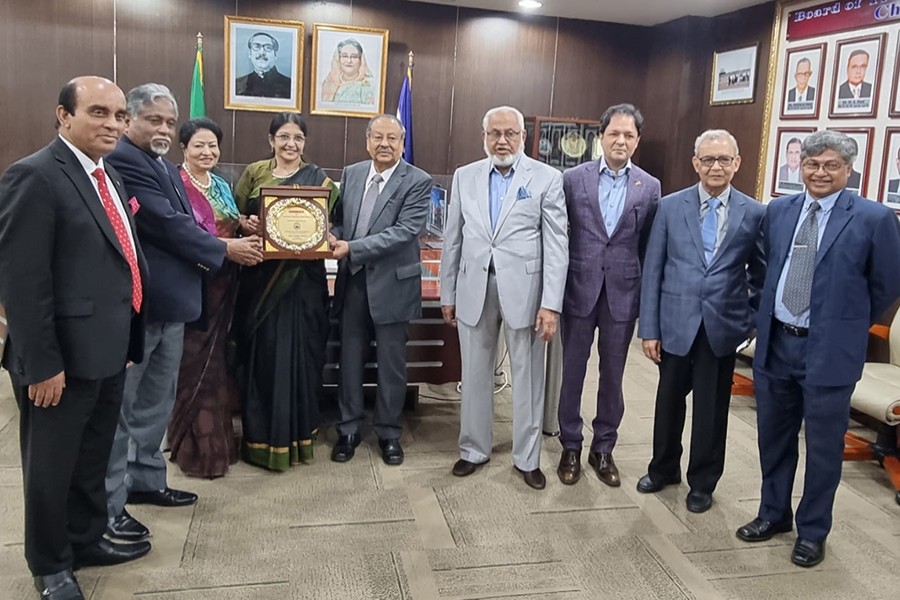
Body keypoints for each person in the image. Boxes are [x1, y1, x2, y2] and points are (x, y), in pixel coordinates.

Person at [0, 76, 151, 600]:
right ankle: (50, 564)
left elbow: (119, 260)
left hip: (108, 349)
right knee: (50, 466)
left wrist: (127, 338)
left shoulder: (111, 178)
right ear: (63, 116)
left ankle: (86, 540)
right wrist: (41, 363)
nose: (112, 124)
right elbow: (22, 282)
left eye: (118, 115)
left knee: (91, 457)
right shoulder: (35, 176)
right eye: (98, 113)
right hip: (58, 358)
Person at [104, 84, 263, 541]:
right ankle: (112, 504)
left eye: (169, 123)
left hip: (177, 302)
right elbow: (164, 224)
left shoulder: (161, 165)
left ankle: (146, 480)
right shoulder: (122, 162)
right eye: (153, 120)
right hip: (144, 305)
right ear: (128, 120)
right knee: (125, 408)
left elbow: (189, 222)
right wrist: (224, 247)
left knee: (156, 402)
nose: (162, 129)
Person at [736, 130, 900, 568]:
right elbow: (768, 268)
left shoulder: (873, 218)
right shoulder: (780, 209)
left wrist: (844, 322)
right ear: (800, 167)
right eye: (812, 164)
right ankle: (773, 514)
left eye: (831, 165)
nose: (820, 172)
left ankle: (813, 532)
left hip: (830, 353)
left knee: (824, 449)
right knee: (773, 439)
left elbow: (886, 286)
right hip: (776, 346)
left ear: (848, 170)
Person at [637, 129, 765, 513]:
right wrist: (649, 329)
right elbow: (653, 269)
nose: (715, 166)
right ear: (695, 163)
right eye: (707, 159)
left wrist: (749, 322)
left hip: (721, 328)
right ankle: (663, 470)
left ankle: (703, 482)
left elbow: (761, 274)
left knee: (711, 410)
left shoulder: (754, 213)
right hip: (675, 321)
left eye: (724, 159)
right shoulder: (670, 207)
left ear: (737, 163)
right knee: (668, 401)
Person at [440, 105, 568, 490]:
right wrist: (448, 292)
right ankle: (473, 449)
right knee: (475, 374)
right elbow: (453, 239)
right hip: (474, 288)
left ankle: (527, 458)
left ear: (522, 136)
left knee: (527, 377)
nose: (502, 140)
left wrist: (551, 303)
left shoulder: (547, 178)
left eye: (510, 133)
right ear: (483, 136)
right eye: (494, 133)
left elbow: (557, 246)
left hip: (526, 293)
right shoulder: (465, 176)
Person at [556, 103, 660, 487]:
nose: (620, 141)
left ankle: (604, 448)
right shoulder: (572, 178)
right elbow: (558, 235)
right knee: (573, 371)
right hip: (579, 289)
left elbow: (648, 247)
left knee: (613, 375)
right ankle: (570, 444)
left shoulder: (649, 187)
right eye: (614, 133)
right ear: (600, 137)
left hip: (622, 293)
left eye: (628, 135)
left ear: (637, 141)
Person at [234, 112, 340, 471]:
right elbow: (236, 217)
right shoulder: (254, 174)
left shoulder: (320, 179)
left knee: (304, 357)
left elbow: (333, 220)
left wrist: (330, 234)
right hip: (262, 281)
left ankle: (299, 435)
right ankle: (262, 439)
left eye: (297, 138)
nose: (290, 144)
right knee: (264, 356)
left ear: (304, 143)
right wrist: (244, 223)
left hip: (304, 283)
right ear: (271, 140)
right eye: (283, 137)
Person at [328, 114, 432, 465]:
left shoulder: (418, 180)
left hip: (393, 284)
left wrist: (351, 247)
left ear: (403, 143)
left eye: (393, 138)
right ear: (367, 141)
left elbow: (404, 232)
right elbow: (343, 219)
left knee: (391, 364)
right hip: (353, 282)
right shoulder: (352, 173)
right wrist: (333, 235)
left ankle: (389, 433)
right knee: (350, 359)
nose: (385, 144)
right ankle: (349, 429)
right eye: (378, 137)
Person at [168, 118, 257, 479]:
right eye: (199, 146)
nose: (207, 152)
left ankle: (218, 441)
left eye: (212, 146)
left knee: (218, 361)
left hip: (227, 280)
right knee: (193, 363)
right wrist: (228, 244)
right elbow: (178, 233)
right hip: (193, 282)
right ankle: (193, 447)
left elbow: (230, 222)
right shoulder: (175, 183)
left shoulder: (221, 183)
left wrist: (245, 225)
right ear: (184, 149)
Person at [235, 32, 292, 99]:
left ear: (275, 54)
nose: (262, 52)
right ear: (250, 53)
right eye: (256, 46)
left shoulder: (289, 85)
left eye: (268, 48)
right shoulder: (237, 85)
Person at [320, 38, 376, 105]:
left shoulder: (369, 85)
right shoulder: (328, 83)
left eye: (354, 57)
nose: (349, 61)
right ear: (338, 59)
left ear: (361, 60)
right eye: (344, 56)